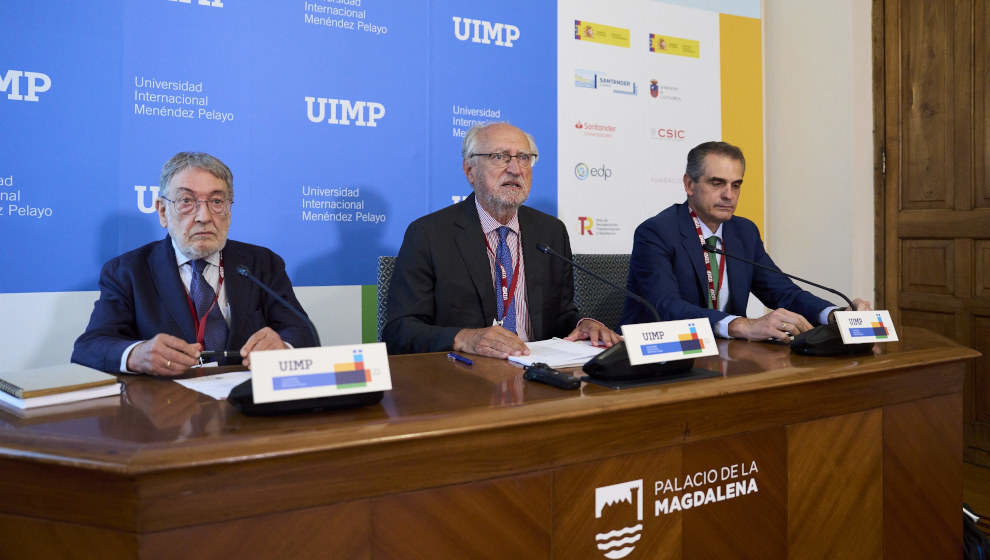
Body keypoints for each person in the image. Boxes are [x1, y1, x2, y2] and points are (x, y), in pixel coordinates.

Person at [384, 122, 620, 358]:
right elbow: (399, 331)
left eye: (524, 158)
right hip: (466, 375)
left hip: (537, 371)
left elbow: (559, 316)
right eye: (500, 157)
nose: (515, 169)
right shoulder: (429, 234)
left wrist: (583, 325)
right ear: (470, 171)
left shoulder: (550, 231)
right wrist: (465, 338)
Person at [72, 152, 317, 375]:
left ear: (229, 210)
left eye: (217, 202)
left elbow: (303, 331)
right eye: (187, 201)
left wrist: (283, 346)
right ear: (162, 211)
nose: (204, 217)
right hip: (166, 411)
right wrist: (137, 354)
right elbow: (89, 347)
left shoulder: (261, 264)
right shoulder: (127, 271)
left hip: (247, 405)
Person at [620, 141, 869, 340]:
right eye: (717, 183)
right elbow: (666, 306)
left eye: (736, 185)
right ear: (689, 184)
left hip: (727, 355)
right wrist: (741, 325)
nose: (729, 195)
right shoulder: (657, 232)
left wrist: (834, 315)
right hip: (664, 356)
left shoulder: (743, 232)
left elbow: (783, 292)